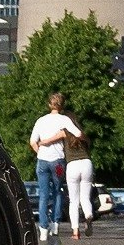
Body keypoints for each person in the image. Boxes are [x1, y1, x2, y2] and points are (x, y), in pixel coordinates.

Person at [29, 98, 85, 237]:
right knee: (58, 190)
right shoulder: (64, 119)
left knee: (43, 194)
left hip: (42, 161)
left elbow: (32, 142)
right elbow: (77, 133)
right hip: (58, 163)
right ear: (62, 105)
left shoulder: (40, 120)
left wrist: (40, 152)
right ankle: (55, 224)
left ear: (49, 105)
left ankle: (43, 229)